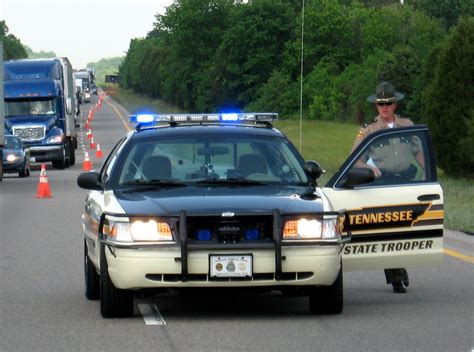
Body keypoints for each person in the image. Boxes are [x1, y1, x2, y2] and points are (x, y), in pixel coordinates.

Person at [352, 81, 421, 293]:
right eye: (381, 104)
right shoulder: (369, 131)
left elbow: (419, 152)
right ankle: (397, 277)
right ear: (376, 106)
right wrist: (370, 169)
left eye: (388, 103)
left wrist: (430, 176)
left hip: (406, 182)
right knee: (390, 230)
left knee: (408, 229)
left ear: (395, 105)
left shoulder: (407, 125)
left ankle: (399, 266)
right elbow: (356, 160)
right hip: (384, 184)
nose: (385, 107)